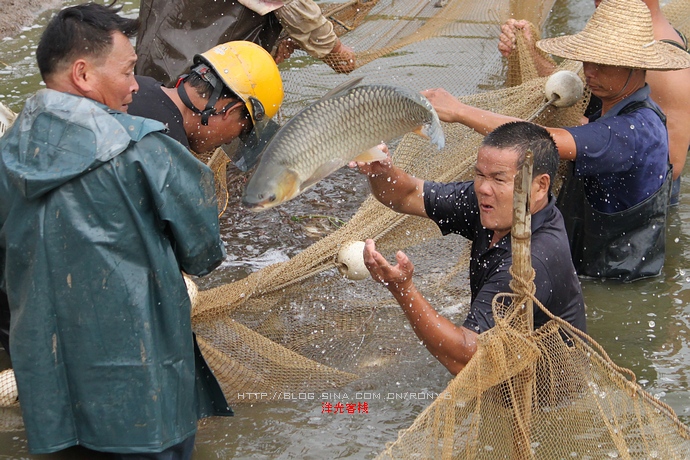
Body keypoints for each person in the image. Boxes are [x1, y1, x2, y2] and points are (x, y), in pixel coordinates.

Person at [0, 2, 231, 458]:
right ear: (83, 75)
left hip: (51, 405)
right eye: (127, 71)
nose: (135, 85)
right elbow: (204, 253)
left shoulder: (7, 152)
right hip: (142, 402)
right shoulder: (144, 149)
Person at [422, 0, 690, 282]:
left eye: (603, 63)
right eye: (587, 60)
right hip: (596, 262)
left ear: (636, 67)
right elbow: (574, 110)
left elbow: (545, 139)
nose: (590, 72)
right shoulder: (611, 104)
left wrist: (460, 111)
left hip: (617, 280)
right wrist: (528, 53)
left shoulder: (632, 132)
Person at [354, 122, 586, 375]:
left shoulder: (531, 261)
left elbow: (465, 361)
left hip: (545, 400)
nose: (484, 189)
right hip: (503, 373)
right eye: (480, 175)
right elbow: (406, 195)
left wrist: (403, 289)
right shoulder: (493, 203)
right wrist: (380, 171)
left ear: (540, 186)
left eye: (499, 179)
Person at [498, 0, 690, 205]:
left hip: (628, 209)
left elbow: (670, 165)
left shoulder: (668, 74)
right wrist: (530, 54)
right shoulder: (616, 33)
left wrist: (587, 136)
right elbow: (584, 96)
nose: (596, 2)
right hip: (592, 183)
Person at [128, 40, 284, 166]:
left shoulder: (137, 85)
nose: (230, 141)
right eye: (242, 132)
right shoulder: (171, 154)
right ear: (230, 111)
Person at [135, 0, 357, 88]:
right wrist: (335, 51)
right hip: (199, 86)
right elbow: (294, 8)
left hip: (145, 77)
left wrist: (270, 41)